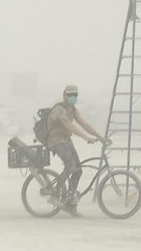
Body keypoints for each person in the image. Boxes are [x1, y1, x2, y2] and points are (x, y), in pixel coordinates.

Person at [45, 84, 105, 215]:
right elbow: (70, 126)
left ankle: (70, 201)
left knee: (78, 170)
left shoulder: (72, 109)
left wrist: (101, 137)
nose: (73, 97)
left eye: (75, 95)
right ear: (64, 96)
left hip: (66, 140)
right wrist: (85, 137)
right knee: (71, 166)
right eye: (70, 95)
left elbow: (85, 124)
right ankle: (55, 194)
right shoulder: (59, 109)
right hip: (55, 141)